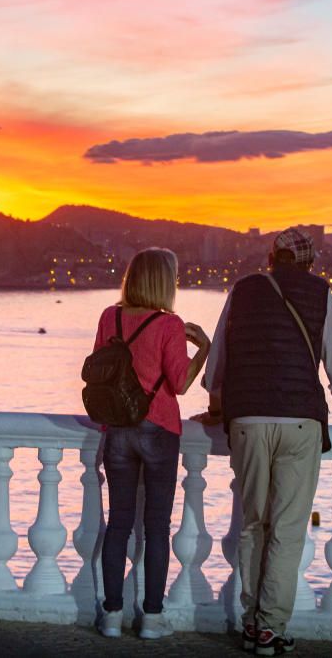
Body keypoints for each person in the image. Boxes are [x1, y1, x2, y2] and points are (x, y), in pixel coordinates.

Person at [194, 227, 332, 656]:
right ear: (308, 263)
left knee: (252, 524)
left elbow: (219, 361)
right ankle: (269, 629)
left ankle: (250, 622)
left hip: (247, 417)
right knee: (286, 529)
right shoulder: (320, 292)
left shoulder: (243, 290)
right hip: (299, 422)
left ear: (272, 257)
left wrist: (217, 408)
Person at [93, 248, 210, 640]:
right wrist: (204, 349)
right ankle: (152, 618)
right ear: (164, 282)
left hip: (118, 430)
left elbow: (99, 368)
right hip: (158, 428)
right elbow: (179, 383)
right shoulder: (169, 325)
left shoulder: (110, 317)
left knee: (118, 523)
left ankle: (111, 615)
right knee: (157, 527)